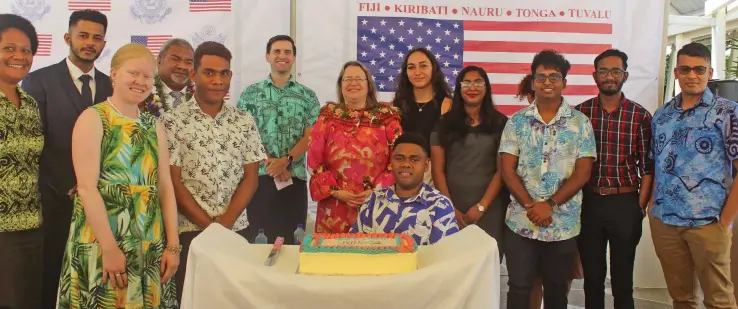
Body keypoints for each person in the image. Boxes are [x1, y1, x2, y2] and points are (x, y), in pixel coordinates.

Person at [56, 43, 179, 309]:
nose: (140, 81)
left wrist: (172, 245)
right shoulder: (93, 118)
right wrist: (109, 249)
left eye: (148, 76)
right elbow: (87, 189)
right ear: (113, 74)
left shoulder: (153, 124)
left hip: (149, 242)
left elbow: (165, 186)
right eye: (133, 73)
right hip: (102, 240)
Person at [20, 9, 113, 308]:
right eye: (83, 35)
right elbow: (34, 144)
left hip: (103, 202)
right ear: (67, 38)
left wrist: (96, 188)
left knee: (94, 278)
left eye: (97, 38)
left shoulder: (112, 85)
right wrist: (70, 186)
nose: (90, 43)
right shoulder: (38, 82)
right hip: (55, 200)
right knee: (52, 275)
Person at [162, 41, 266, 301]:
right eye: (209, 72)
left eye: (224, 73)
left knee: (233, 300)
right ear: (193, 75)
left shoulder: (244, 120)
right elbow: (174, 183)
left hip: (235, 230)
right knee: (193, 299)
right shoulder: (172, 121)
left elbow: (251, 178)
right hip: (190, 233)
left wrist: (226, 224)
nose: (218, 80)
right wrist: (210, 227)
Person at [499, 50, 596, 309]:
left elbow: (583, 172)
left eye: (554, 77)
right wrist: (532, 206)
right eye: (541, 77)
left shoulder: (580, 123)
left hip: (562, 225)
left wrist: (549, 205)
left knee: (556, 293)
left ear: (564, 82)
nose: (548, 82)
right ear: (532, 82)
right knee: (519, 289)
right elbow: (507, 170)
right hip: (521, 223)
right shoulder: (517, 122)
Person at [650, 42, 738, 309]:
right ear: (675, 72)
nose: (692, 75)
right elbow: (656, 163)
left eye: (699, 69)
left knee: (719, 300)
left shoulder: (728, 112)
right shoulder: (662, 115)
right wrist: (653, 205)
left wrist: (725, 221)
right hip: (665, 222)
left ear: (710, 72)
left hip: (708, 223)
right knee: (681, 299)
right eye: (685, 69)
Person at [575, 49, 654, 309]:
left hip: (625, 202)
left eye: (616, 71)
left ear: (625, 75)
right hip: (589, 203)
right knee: (593, 279)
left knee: (622, 280)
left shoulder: (640, 116)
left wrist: (639, 205)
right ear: (595, 75)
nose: (610, 76)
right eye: (604, 71)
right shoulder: (579, 114)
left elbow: (648, 166)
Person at [238, 35, 320, 244]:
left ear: (294, 58)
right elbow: (245, 133)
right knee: (259, 240)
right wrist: (272, 162)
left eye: (287, 52)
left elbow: (311, 135)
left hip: (295, 178)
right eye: (276, 51)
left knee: (293, 240)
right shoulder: (250, 94)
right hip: (259, 178)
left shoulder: (307, 96)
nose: (282, 56)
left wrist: (287, 160)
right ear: (267, 56)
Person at [307, 61, 402, 233]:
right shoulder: (327, 117)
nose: (353, 83)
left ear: (368, 84)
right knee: (334, 257)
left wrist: (376, 191)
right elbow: (314, 160)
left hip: (378, 204)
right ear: (340, 85)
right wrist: (336, 191)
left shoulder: (387, 118)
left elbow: (399, 159)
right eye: (347, 79)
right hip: (334, 206)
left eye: (359, 78)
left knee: (374, 257)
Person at [430, 65, 509, 257]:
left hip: (489, 208)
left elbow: (502, 171)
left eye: (478, 82)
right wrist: (450, 209)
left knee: (486, 266)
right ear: (459, 88)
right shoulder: (444, 123)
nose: (472, 87)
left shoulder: (501, 123)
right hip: (451, 206)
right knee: (452, 264)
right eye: (466, 82)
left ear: (486, 88)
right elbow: (437, 170)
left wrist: (481, 207)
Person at [0, 13, 44, 309]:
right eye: (9, 48)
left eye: (26, 50)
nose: (20, 56)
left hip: (33, 226)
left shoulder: (30, 104)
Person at [351, 132, 459, 245]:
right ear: (391, 163)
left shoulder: (439, 205)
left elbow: (446, 258)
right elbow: (354, 247)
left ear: (426, 165)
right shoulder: (373, 200)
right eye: (399, 158)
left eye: (414, 159)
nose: (406, 164)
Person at [392, 47, 453, 185]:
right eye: (411, 67)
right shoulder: (395, 107)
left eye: (423, 66)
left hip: (437, 179)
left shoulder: (448, 105)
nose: (417, 72)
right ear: (405, 73)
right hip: (402, 177)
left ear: (434, 69)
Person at [145, 38, 194, 116]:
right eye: (175, 59)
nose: (182, 66)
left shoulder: (204, 97)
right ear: (159, 61)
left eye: (188, 62)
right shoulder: (142, 92)